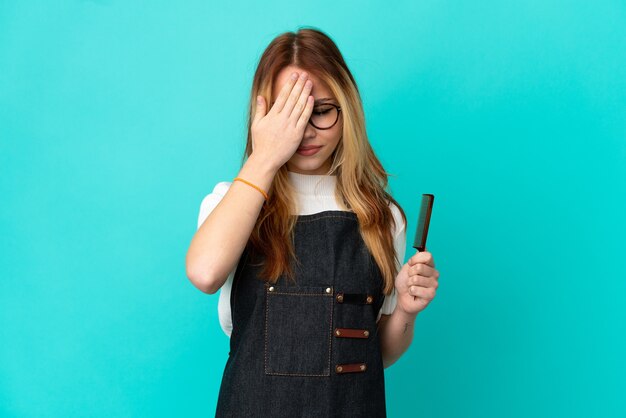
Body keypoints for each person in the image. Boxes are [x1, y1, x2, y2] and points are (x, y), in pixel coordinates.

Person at [185, 27, 440, 418]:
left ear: (347, 108)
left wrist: (406, 309)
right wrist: (265, 156)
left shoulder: (383, 217)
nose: (305, 131)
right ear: (262, 115)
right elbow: (204, 273)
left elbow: (377, 354)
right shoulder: (233, 202)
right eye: (289, 114)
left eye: (321, 111)